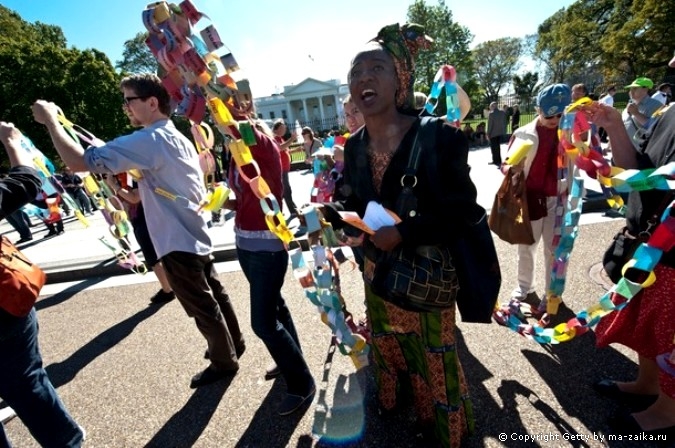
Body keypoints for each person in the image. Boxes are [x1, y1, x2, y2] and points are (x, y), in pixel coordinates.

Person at [320, 23, 481, 447]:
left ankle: (452, 434)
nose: (364, 78)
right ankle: (414, 414)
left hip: (426, 276)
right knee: (395, 352)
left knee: (436, 358)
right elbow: (350, 198)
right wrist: (335, 217)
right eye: (356, 71)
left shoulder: (440, 136)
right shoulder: (354, 145)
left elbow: (462, 209)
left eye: (377, 68)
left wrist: (404, 232)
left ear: (400, 81)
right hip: (379, 273)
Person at [31, 73, 245, 389]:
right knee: (215, 294)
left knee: (202, 305)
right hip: (192, 231)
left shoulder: (151, 139)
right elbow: (154, 190)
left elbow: (79, 161)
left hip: (174, 238)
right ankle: (232, 344)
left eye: (129, 100)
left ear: (152, 102)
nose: (125, 108)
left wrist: (50, 121)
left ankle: (223, 361)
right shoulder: (175, 137)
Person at [588, 52, 675, 437]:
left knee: (670, 330)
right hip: (650, 243)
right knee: (649, 323)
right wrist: (614, 128)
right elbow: (637, 170)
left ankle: (667, 411)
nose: (671, 63)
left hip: (670, 245)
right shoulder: (669, 114)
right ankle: (647, 383)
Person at [222, 102, 315, 416]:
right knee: (275, 306)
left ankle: (302, 384)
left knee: (262, 322)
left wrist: (200, 83)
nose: (223, 131)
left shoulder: (262, 146)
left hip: (266, 248)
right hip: (245, 243)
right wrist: (224, 204)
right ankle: (292, 358)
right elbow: (249, 197)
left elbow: (233, 120)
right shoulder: (237, 152)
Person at [0, 121, 85, 447]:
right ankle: (66, 442)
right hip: (4, 308)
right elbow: (24, 181)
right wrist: (11, 142)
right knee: (26, 380)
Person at [506, 84, 572, 312]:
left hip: (558, 198)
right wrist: (512, 169)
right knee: (526, 246)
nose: (554, 120)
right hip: (531, 198)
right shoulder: (523, 133)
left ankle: (552, 292)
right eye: (549, 114)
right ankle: (524, 287)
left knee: (554, 249)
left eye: (560, 114)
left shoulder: (571, 134)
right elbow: (507, 165)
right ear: (537, 110)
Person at [105, 173, 175, 304]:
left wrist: (114, 185)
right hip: (141, 217)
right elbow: (118, 202)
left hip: (147, 217)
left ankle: (168, 290)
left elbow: (135, 198)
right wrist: (111, 186)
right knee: (156, 254)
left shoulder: (133, 171)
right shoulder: (123, 174)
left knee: (153, 256)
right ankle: (170, 286)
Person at [622, 77, 663, 150]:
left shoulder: (657, 105)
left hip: (641, 150)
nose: (631, 91)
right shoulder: (630, 105)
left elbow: (656, 128)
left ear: (645, 89)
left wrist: (636, 113)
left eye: (634, 88)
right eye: (630, 89)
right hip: (624, 148)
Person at [271, 120, 299, 218]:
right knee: (286, 190)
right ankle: (293, 210)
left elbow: (284, 151)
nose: (284, 130)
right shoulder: (274, 138)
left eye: (285, 128)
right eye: (282, 128)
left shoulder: (280, 138)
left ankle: (280, 209)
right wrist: (292, 139)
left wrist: (295, 150)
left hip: (284, 168)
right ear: (276, 129)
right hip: (281, 169)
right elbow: (280, 148)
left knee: (283, 191)